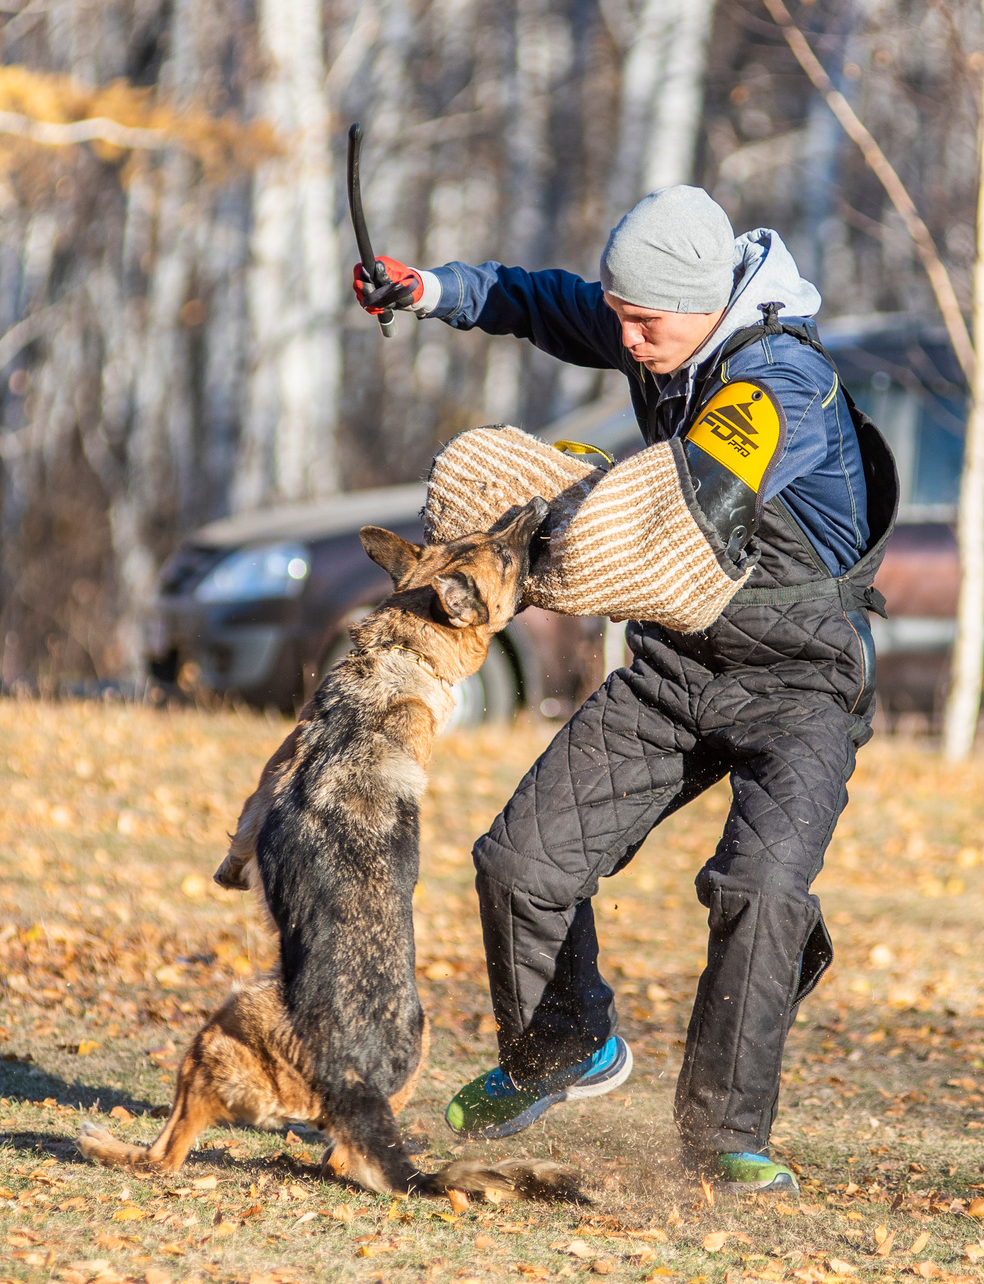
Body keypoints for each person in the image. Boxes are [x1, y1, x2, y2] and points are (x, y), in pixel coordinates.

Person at [351, 185, 896, 1197]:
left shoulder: (778, 385)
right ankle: (563, 1044)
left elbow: (696, 502)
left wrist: (543, 523)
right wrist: (431, 289)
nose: (629, 341)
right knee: (522, 861)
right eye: (621, 317)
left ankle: (724, 1137)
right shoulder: (660, 331)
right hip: (679, 669)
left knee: (759, 889)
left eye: (646, 322)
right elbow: (540, 300)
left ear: (705, 304)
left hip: (803, 683)